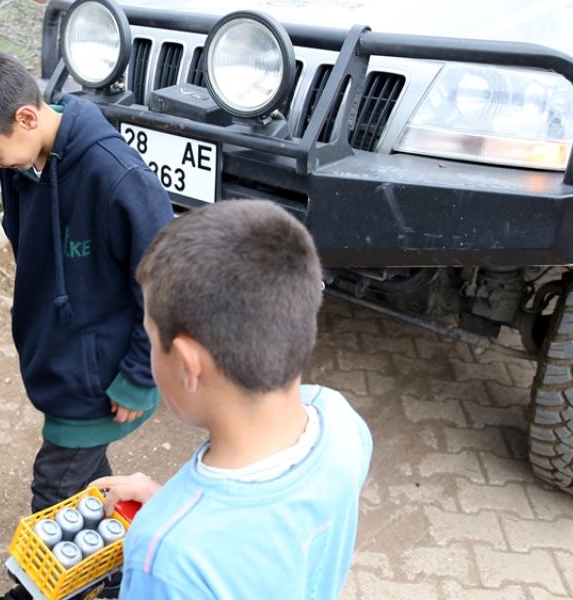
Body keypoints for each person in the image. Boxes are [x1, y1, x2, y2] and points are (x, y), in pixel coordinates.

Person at [0, 49, 174, 597]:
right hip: (59, 358)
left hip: (101, 372)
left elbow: (166, 283)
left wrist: (140, 374)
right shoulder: (24, 160)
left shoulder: (117, 177)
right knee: (91, 482)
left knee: (55, 490)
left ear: (25, 117)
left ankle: (37, 586)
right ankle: (117, 573)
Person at [92, 199, 373, 599]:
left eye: (152, 340)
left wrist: (171, 526)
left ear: (189, 365)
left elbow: (193, 556)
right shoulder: (340, 419)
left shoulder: (165, 558)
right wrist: (171, 507)